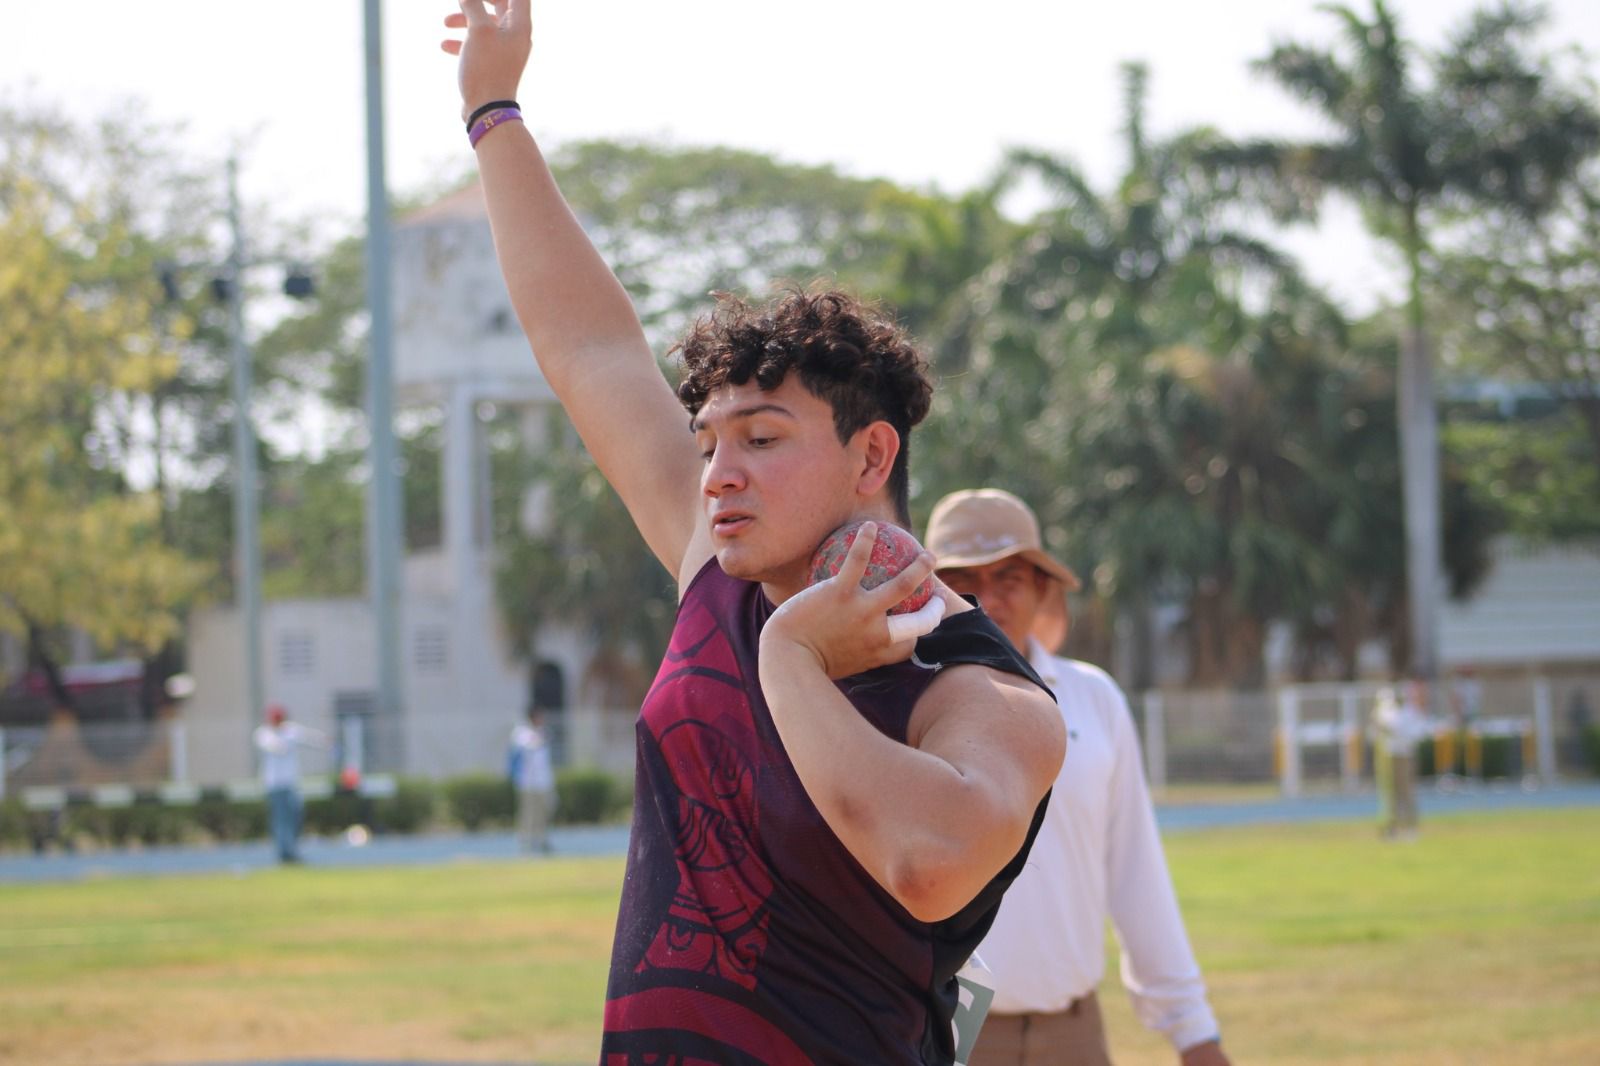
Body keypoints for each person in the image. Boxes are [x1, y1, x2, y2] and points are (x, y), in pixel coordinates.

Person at [440, 5, 1065, 1062]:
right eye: (708, 438)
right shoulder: (716, 568)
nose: (718, 473)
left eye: (763, 438)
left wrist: (790, 658)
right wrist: (492, 109)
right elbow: (589, 346)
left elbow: (928, 857)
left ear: (872, 458)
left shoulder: (983, 691)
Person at [925, 489, 1230, 1066]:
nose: (986, 599)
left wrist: (1194, 1031)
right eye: (963, 580)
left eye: (1008, 577)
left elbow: (1136, 871)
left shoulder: (1093, 700)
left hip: (1074, 1037)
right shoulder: (902, 700)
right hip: (944, 1037)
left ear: (1042, 589)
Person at [252, 703, 325, 864]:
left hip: (290, 783)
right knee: (281, 820)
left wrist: (324, 741)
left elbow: (309, 738)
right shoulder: (263, 733)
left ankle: (291, 848)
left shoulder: (291, 730)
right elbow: (275, 747)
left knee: (296, 815)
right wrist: (285, 742)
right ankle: (285, 853)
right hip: (274, 785)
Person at [1374, 680, 1425, 838]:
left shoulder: (1411, 713)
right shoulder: (1390, 711)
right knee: (1393, 794)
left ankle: (1411, 827)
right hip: (1392, 755)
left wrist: (1398, 733)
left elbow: (1416, 733)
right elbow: (1381, 721)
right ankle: (1393, 828)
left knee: (1406, 792)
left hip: (1405, 755)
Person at [508, 708, 555, 853]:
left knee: (543, 813)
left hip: (543, 782)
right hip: (527, 782)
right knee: (528, 813)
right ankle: (525, 842)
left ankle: (541, 840)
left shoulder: (543, 731)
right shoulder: (521, 732)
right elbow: (531, 744)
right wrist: (539, 737)